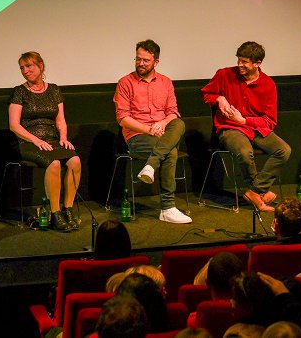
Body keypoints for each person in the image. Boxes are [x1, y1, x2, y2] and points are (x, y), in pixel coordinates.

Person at [201, 41, 291, 212]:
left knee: (284, 150)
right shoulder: (224, 75)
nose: (240, 65)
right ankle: (260, 195)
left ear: (257, 63)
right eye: (239, 60)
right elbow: (206, 93)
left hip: (254, 128)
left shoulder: (268, 85)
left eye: (244, 62)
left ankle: (255, 191)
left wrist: (244, 121)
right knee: (244, 152)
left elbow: (270, 121)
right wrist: (219, 98)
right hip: (229, 128)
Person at [113, 39, 191, 224]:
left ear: (156, 62)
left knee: (178, 123)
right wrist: (149, 129)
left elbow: (173, 112)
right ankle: (167, 208)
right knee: (170, 151)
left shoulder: (165, 82)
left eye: (145, 60)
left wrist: (163, 123)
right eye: (138, 59)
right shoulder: (125, 83)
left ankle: (150, 165)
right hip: (138, 136)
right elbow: (123, 118)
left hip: (163, 133)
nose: (140, 63)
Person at [8, 51, 81, 232]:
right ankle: (55, 214)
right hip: (27, 142)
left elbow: (60, 120)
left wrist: (63, 138)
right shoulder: (19, 92)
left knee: (75, 160)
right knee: (54, 164)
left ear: (40, 66)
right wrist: (36, 140)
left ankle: (68, 210)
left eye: (29, 66)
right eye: (22, 68)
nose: (25, 71)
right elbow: (14, 126)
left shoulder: (54, 90)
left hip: (52, 140)